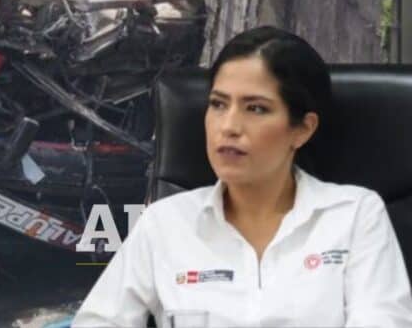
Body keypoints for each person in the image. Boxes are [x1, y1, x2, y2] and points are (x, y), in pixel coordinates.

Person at [73, 26, 412, 327]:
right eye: (218, 104)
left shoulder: (354, 215)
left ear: (302, 129)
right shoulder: (165, 224)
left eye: (256, 108)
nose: (228, 126)